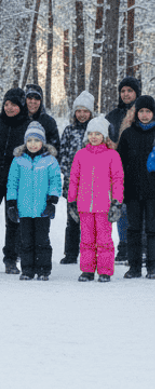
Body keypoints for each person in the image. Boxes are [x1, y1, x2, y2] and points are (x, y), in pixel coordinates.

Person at [68, 116, 124, 282]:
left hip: (104, 206)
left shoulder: (112, 155)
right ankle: (87, 270)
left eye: (97, 134)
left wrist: (117, 201)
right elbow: (74, 178)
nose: (93, 137)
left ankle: (105, 271)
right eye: (91, 133)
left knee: (104, 240)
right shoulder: (80, 155)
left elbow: (117, 180)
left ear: (104, 137)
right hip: (84, 205)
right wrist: (72, 200)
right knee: (86, 239)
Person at [5, 121, 62, 281]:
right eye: (29, 140)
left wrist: (52, 201)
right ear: (25, 142)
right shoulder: (18, 160)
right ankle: (28, 269)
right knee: (26, 241)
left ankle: (43, 269)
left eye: (36, 140)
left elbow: (55, 181)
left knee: (42, 240)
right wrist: (11, 203)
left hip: (42, 209)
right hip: (24, 209)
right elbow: (12, 182)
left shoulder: (50, 160)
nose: (33, 144)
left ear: (42, 142)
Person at [0, 88, 30, 274]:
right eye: (7, 104)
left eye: (14, 105)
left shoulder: (28, 125)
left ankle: (11, 259)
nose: (9, 108)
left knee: (13, 221)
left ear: (21, 106)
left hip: (16, 181)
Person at [114, 93, 155, 279]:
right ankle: (135, 266)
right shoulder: (128, 134)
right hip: (132, 190)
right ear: (136, 113)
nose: (145, 115)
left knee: (153, 229)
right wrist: (119, 186)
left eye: (148, 111)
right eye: (142, 111)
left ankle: (153, 267)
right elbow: (119, 162)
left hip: (153, 191)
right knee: (133, 229)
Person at [57, 91, 95, 265]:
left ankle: (91, 252)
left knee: (90, 219)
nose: (81, 114)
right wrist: (69, 175)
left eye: (85, 111)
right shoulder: (69, 131)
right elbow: (62, 155)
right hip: (73, 183)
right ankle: (70, 253)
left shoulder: (95, 132)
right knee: (72, 219)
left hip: (92, 183)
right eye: (78, 111)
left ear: (91, 112)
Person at [106, 75, 140, 259]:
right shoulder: (113, 115)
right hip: (118, 168)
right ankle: (124, 246)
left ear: (136, 93)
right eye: (123, 91)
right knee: (122, 207)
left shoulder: (144, 111)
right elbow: (105, 138)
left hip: (141, 167)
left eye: (130, 91)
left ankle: (141, 246)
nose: (126, 94)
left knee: (140, 207)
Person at [23, 83, 61, 147]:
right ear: (25, 100)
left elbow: (55, 147)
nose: (33, 102)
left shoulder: (49, 122)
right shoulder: (18, 120)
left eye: (36, 98)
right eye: (30, 98)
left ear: (40, 101)